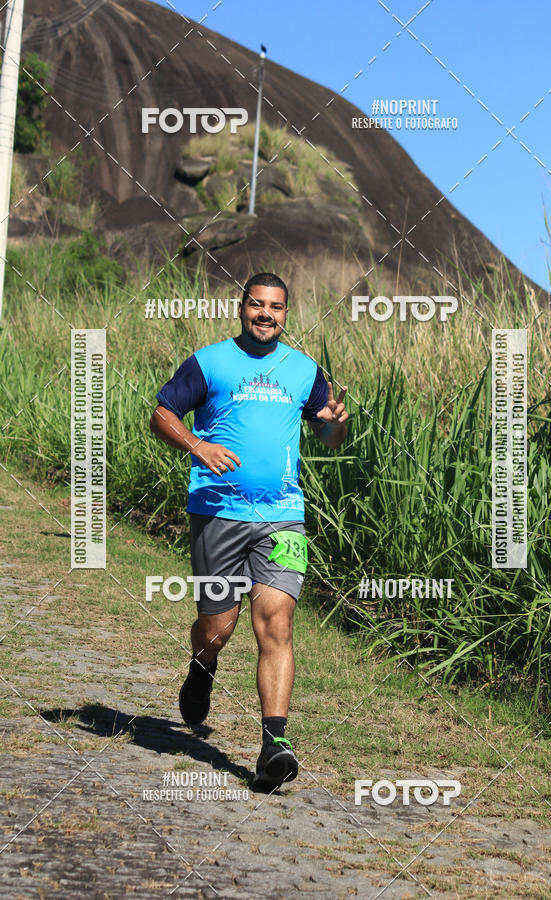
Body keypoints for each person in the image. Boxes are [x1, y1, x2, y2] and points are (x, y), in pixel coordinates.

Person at [149, 272, 348, 790]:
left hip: (283, 514)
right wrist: (197, 445)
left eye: (276, 307)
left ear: (286, 314)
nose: (266, 314)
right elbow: (162, 414)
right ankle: (202, 666)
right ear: (242, 308)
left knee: (276, 623)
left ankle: (274, 745)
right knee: (219, 627)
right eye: (257, 305)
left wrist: (334, 422)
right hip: (217, 511)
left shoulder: (305, 370)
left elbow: (329, 436)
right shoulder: (210, 362)